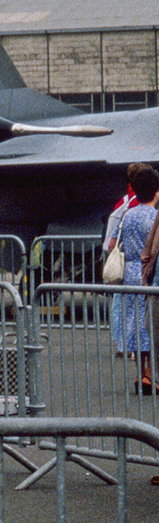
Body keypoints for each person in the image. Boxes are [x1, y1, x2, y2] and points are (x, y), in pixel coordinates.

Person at [113, 164, 159, 392]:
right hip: (149, 273)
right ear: (156, 191)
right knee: (152, 323)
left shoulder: (128, 215)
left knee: (136, 323)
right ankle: (152, 374)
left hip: (130, 273)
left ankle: (143, 373)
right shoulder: (154, 217)